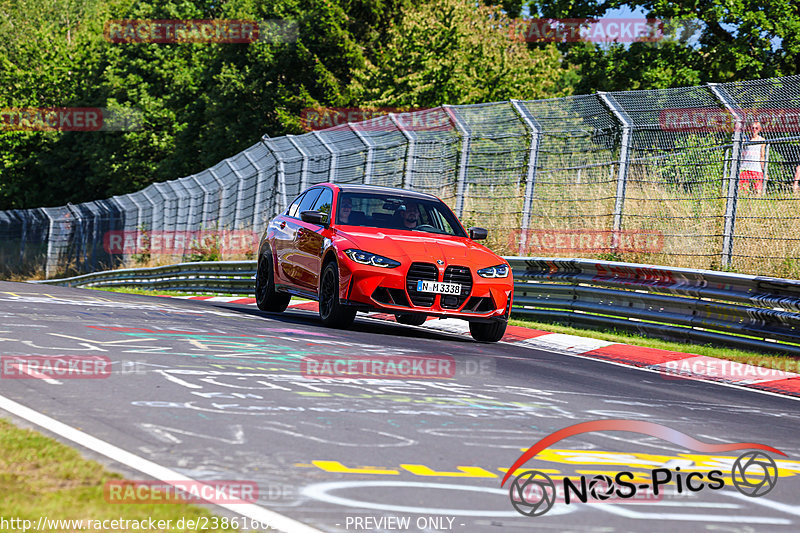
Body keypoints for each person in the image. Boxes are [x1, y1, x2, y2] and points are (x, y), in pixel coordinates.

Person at [738, 120, 766, 195]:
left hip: (756, 168)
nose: (754, 130)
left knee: (758, 191)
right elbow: (741, 154)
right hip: (745, 167)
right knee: (742, 191)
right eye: (752, 128)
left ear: (759, 129)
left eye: (756, 128)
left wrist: (764, 170)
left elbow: (762, 156)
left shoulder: (762, 140)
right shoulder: (744, 139)